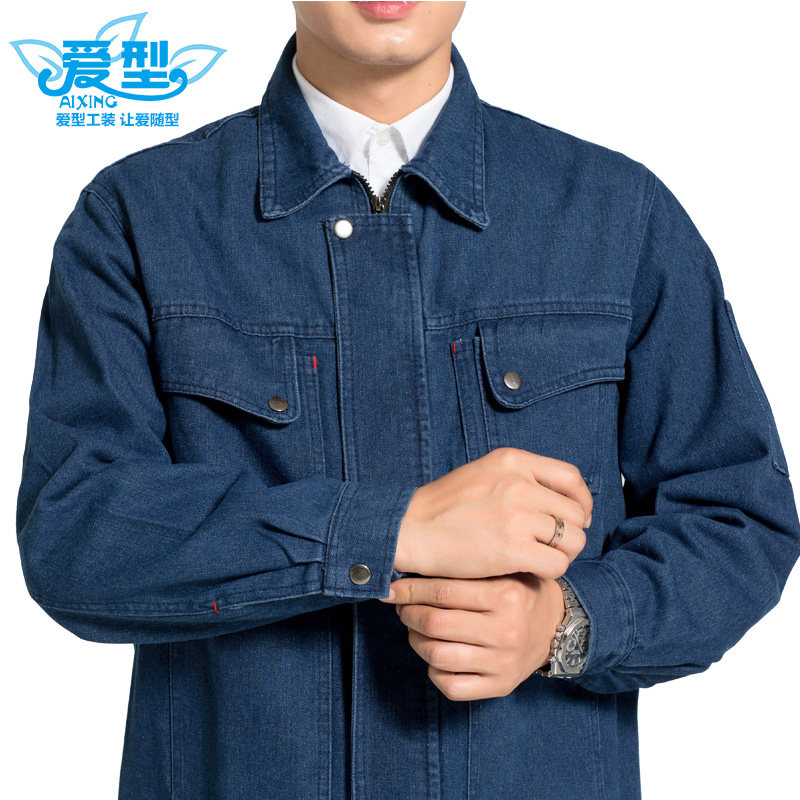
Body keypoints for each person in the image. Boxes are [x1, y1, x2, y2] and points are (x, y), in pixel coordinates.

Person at [15, 2, 800, 799]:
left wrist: (565, 624)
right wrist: (393, 530)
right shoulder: (139, 217)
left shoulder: (616, 214)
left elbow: (739, 518)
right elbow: (76, 534)